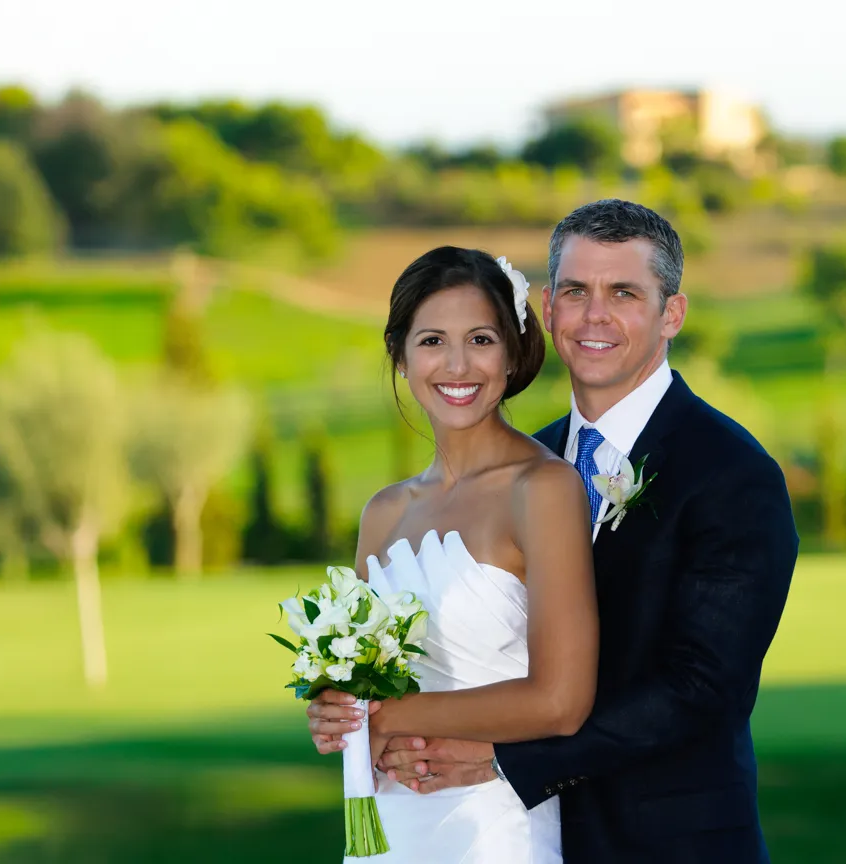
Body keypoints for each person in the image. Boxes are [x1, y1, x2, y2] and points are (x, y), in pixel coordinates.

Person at [311, 200, 799, 863]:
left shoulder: (732, 473)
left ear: (672, 314)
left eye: (623, 292)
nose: (594, 314)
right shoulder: (525, 461)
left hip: (664, 841)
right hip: (440, 821)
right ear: (547, 309)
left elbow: (702, 691)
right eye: (575, 291)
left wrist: (507, 760)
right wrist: (347, 711)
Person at [314, 245, 597, 863]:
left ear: (513, 351)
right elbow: (361, 680)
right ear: (402, 354)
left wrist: (389, 716)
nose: (458, 365)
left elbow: (562, 702)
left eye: (481, 339)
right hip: (389, 823)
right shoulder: (383, 513)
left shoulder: (543, 490)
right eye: (433, 340)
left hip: (491, 828)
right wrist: (337, 712)